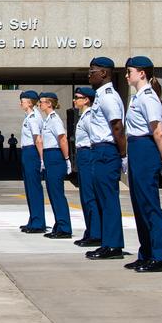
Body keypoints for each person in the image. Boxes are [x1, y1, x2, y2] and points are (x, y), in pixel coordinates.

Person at [123, 56, 162, 273]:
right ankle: (146, 253)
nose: (126, 75)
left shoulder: (149, 98)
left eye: (129, 71)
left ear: (141, 73)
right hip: (136, 147)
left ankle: (159, 256)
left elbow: (158, 131)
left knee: (149, 204)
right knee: (139, 204)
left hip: (145, 148)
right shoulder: (137, 97)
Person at [85, 57, 126, 260]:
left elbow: (117, 127)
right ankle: (107, 242)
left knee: (109, 199)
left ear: (103, 73)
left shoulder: (109, 96)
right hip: (98, 150)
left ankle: (113, 245)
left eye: (92, 71)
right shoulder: (100, 95)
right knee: (102, 198)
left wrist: (123, 155)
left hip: (106, 150)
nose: (89, 75)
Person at [38, 93, 72, 239]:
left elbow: (62, 139)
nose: (39, 104)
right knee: (52, 193)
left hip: (55, 156)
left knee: (57, 194)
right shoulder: (47, 120)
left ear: (49, 103)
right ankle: (59, 225)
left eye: (42, 102)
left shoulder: (54, 119)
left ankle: (64, 228)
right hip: (49, 155)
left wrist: (67, 158)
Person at [72, 87, 102, 247]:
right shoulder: (83, 116)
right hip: (83, 155)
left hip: (88, 154)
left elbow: (94, 138)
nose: (74, 100)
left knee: (90, 196)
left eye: (77, 97)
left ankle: (96, 233)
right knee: (85, 196)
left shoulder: (90, 117)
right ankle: (90, 231)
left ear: (86, 100)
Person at [18, 90, 46, 234]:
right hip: (27, 152)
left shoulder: (34, 117)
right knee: (30, 188)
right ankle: (33, 219)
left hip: (32, 152)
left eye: (22, 101)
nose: (20, 103)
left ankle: (38, 222)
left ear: (29, 102)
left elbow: (38, 139)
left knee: (34, 188)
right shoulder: (29, 116)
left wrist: (41, 159)